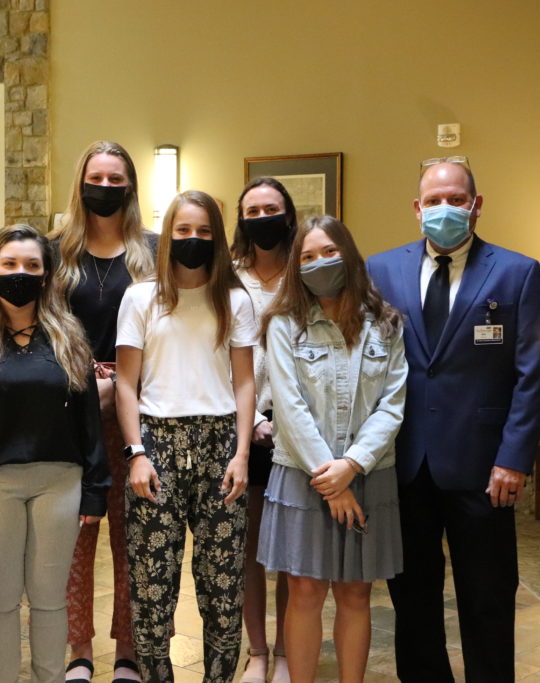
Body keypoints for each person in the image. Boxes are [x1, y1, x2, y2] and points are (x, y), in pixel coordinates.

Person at [366, 158, 540, 682]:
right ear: (416, 208)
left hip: (484, 468)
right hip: (404, 465)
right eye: (433, 200)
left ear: (476, 204)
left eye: (455, 198)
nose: (444, 208)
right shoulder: (381, 271)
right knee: (412, 597)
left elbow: (533, 376)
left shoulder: (517, 272)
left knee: (488, 596)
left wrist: (513, 461)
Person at [0, 224, 110, 683]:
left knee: (51, 598)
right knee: (2, 598)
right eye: (10, 264)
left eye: (32, 266)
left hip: (61, 480)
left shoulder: (69, 337)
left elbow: (90, 420)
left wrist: (96, 490)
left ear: (47, 275)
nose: (21, 274)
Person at [259, 215, 407, 683]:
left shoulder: (386, 324)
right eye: (306, 256)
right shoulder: (285, 324)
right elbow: (288, 405)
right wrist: (333, 479)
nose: (318, 263)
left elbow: (393, 404)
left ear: (348, 254)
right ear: (294, 267)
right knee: (304, 592)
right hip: (303, 475)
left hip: (369, 473)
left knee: (355, 593)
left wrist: (353, 465)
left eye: (327, 252)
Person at [116, 190, 256, 682]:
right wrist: (136, 453)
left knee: (222, 583)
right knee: (152, 583)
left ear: (216, 237)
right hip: (156, 446)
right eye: (183, 231)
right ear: (167, 235)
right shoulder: (139, 297)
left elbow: (244, 382)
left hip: (220, 444)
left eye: (203, 232)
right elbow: (126, 384)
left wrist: (241, 455)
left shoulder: (235, 299)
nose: (193, 240)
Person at [49, 140, 157, 683]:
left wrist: (122, 385)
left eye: (117, 179)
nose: (107, 188)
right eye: (98, 177)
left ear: (131, 187)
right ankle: (79, 650)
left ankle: (129, 652)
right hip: (72, 409)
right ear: (81, 182)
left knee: (132, 534)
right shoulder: (55, 254)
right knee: (77, 533)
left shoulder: (153, 253)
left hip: (139, 409)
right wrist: (86, 383)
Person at [230, 177, 298, 683]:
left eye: (271, 209)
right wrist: (250, 419)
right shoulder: (227, 279)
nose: (262, 218)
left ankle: (289, 651)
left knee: (292, 552)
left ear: (288, 215)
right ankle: (257, 651)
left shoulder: (307, 276)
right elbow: (221, 357)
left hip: (300, 430)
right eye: (252, 210)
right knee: (250, 548)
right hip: (246, 427)